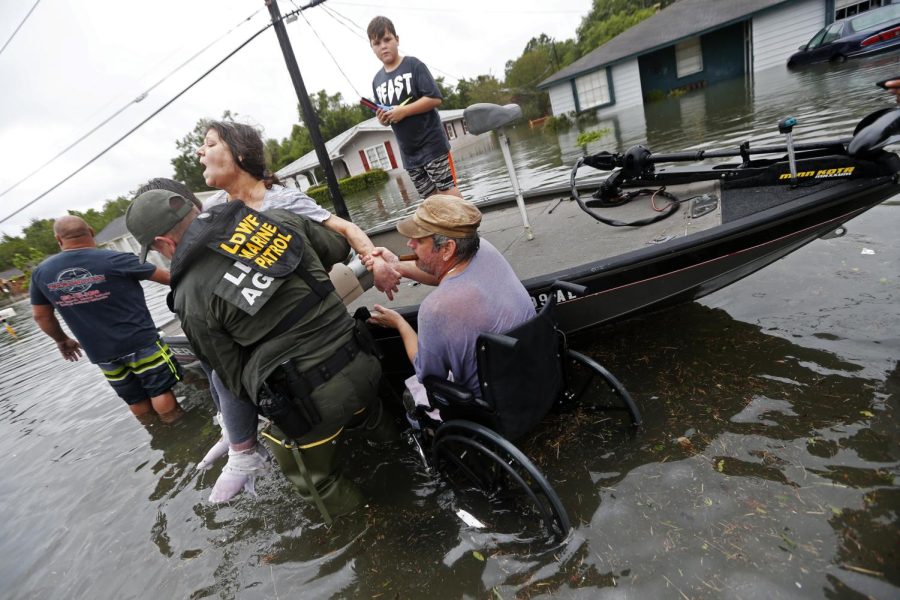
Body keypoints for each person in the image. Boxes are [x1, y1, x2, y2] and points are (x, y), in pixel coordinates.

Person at [126, 188, 386, 518]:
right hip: (365, 358)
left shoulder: (189, 293)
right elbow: (338, 246)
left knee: (315, 482)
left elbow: (231, 377)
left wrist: (239, 441)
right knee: (377, 425)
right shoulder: (274, 221)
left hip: (313, 405)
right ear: (196, 209)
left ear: (164, 244)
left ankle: (372, 533)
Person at [197, 119, 402, 297]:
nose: (200, 150)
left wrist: (376, 262)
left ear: (240, 153)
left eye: (210, 144)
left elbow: (346, 228)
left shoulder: (283, 200)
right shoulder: (209, 208)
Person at [366, 196, 535, 408]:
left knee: (412, 394)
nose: (410, 244)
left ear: (447, 248)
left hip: (492, 405)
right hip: (533, 374)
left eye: (418, 240)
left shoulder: (436, 308)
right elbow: (446, 274)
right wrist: (397, 265)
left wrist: (399, 324)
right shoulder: (484, 248)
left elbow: (427, 373)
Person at [30, 215, 182, 420]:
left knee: (135, 399)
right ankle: (174, 425)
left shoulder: (41, 272)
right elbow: (169, 279)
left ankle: (157, 435)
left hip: (101, 353)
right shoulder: (116, 259)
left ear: (59, 239)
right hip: (140, 342)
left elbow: (41, 316)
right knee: (160, 390)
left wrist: (62, 340)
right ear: (91, 232)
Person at [367, 16, 462, 200]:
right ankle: (446, 229)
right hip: (408, 154)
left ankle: (469, 229)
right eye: (377, 43)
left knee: (448, 192)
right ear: (372, 48)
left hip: (432, 144)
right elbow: (386, 117)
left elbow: (435, 98)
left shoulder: (413, 65)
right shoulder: (376, 81)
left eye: (387, 39)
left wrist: (404, 111)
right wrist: (383, 119)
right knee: (431, 200)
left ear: (397, 39)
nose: (383, 46)